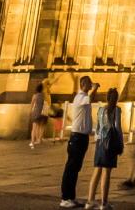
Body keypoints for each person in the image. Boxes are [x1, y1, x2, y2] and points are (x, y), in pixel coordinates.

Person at [58, 76, 95, 208]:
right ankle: (65, 198)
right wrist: (95, 90)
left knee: (75, 169)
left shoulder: (84, 98)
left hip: (82, 137)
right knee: (71, 168)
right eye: (89, 84)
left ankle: (71, 197)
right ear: (83, 84)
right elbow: (90, 98)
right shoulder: (80, 97)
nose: (91, 85)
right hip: (77, 138)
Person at [86, 86, 123, 210]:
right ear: (116, 99)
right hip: (110, 143)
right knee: (106, 172)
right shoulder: (116, 110)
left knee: (97, 171)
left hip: (100, 143)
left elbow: (97, 128)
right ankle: (104, 203)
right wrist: (121, 143)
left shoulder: (101, 109)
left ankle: (90, 201)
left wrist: (98, 140)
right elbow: (118, 128)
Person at [29, 83, 49, 151]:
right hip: (42, 113)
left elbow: (32, 104)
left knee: (34, 128)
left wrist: (30, 112)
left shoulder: (35, 96)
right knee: (40, 126)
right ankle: (39, 139)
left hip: (36, 113)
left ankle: (32, 142)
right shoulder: (44, 96)